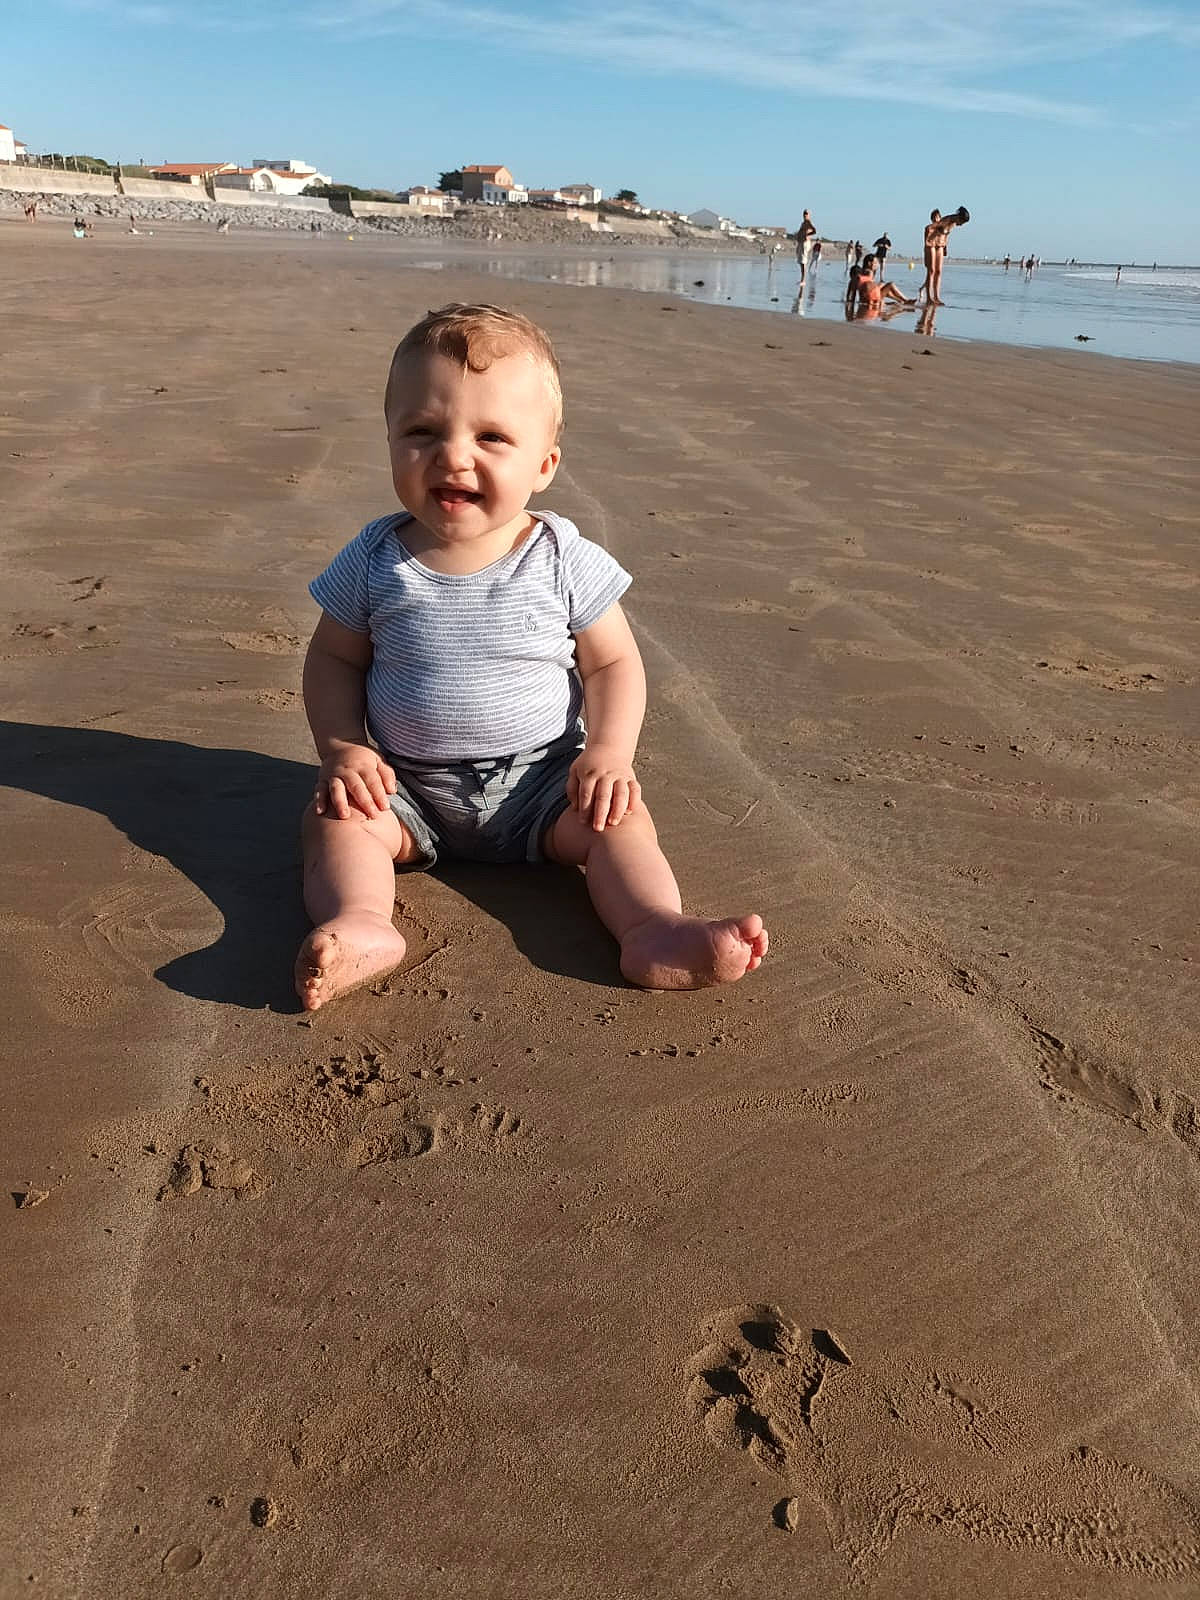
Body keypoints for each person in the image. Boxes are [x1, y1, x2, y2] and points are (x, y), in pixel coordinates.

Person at [294, 303, 768, 1009]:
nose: (453, 456)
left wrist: (608, 754)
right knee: (337, 819)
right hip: (407, 789)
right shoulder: (374, 559)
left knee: (619, 821)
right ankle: (363, 924)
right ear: (389, 441)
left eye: (491, 436)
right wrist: (342, 749)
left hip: (545, 788)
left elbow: (612, 665)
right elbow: (333, 659)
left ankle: (652, 929)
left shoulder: (561, 560)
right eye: (421, 432)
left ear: (543, 464)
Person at [919, 208, 967, 305]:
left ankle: (936, 297)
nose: (961, 225)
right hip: (932, 245)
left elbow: (946, 235)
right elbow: (928, 228)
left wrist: (945, 247)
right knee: (931, 271)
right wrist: (926, 242)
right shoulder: (946, 220)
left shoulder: (953, 223)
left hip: (940, 246)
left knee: (939, 272)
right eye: (961, 222)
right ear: (958, 217)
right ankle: (929, 297)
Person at [795, 209, 817, 287]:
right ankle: (802, 279)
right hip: (801, 242)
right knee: (800, 261)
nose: (805, 215)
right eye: (804, 213)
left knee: (803, 261)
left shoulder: (808, 222)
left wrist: (807, 235)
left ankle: (803, 280)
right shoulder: (803, 222)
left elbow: (814, 231)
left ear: (809, 215)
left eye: (806, 213)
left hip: (805, 242)